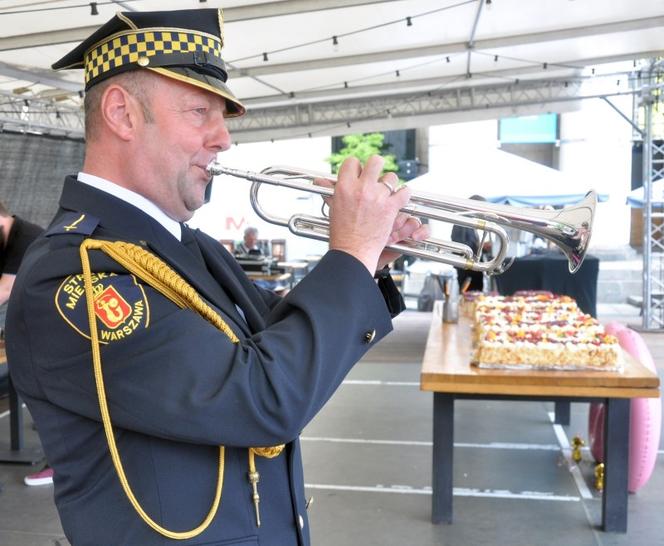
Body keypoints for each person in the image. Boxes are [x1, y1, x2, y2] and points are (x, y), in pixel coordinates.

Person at [5, 9, 428, 546]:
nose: (224, 138)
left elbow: (271, 335)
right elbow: (261, 396)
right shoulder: (76, 274)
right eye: (200, 111)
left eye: (222, 115)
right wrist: (349, 255)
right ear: (122, 114)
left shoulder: (183, 244)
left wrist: (368, 262)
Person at [0, 203, 50, 486]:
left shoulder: (25, 237)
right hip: (32, 323)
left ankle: (58, 464)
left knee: (48, 391)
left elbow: (5, 290)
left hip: (49, 323)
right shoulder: (8, 237)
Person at [450, 194, 492, 292]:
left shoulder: (469, 220)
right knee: (470, 295)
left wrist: (482, 247)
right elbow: (461, 246)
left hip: (470, 267)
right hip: (467, 269)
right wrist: (480, 247)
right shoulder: (462, 221)